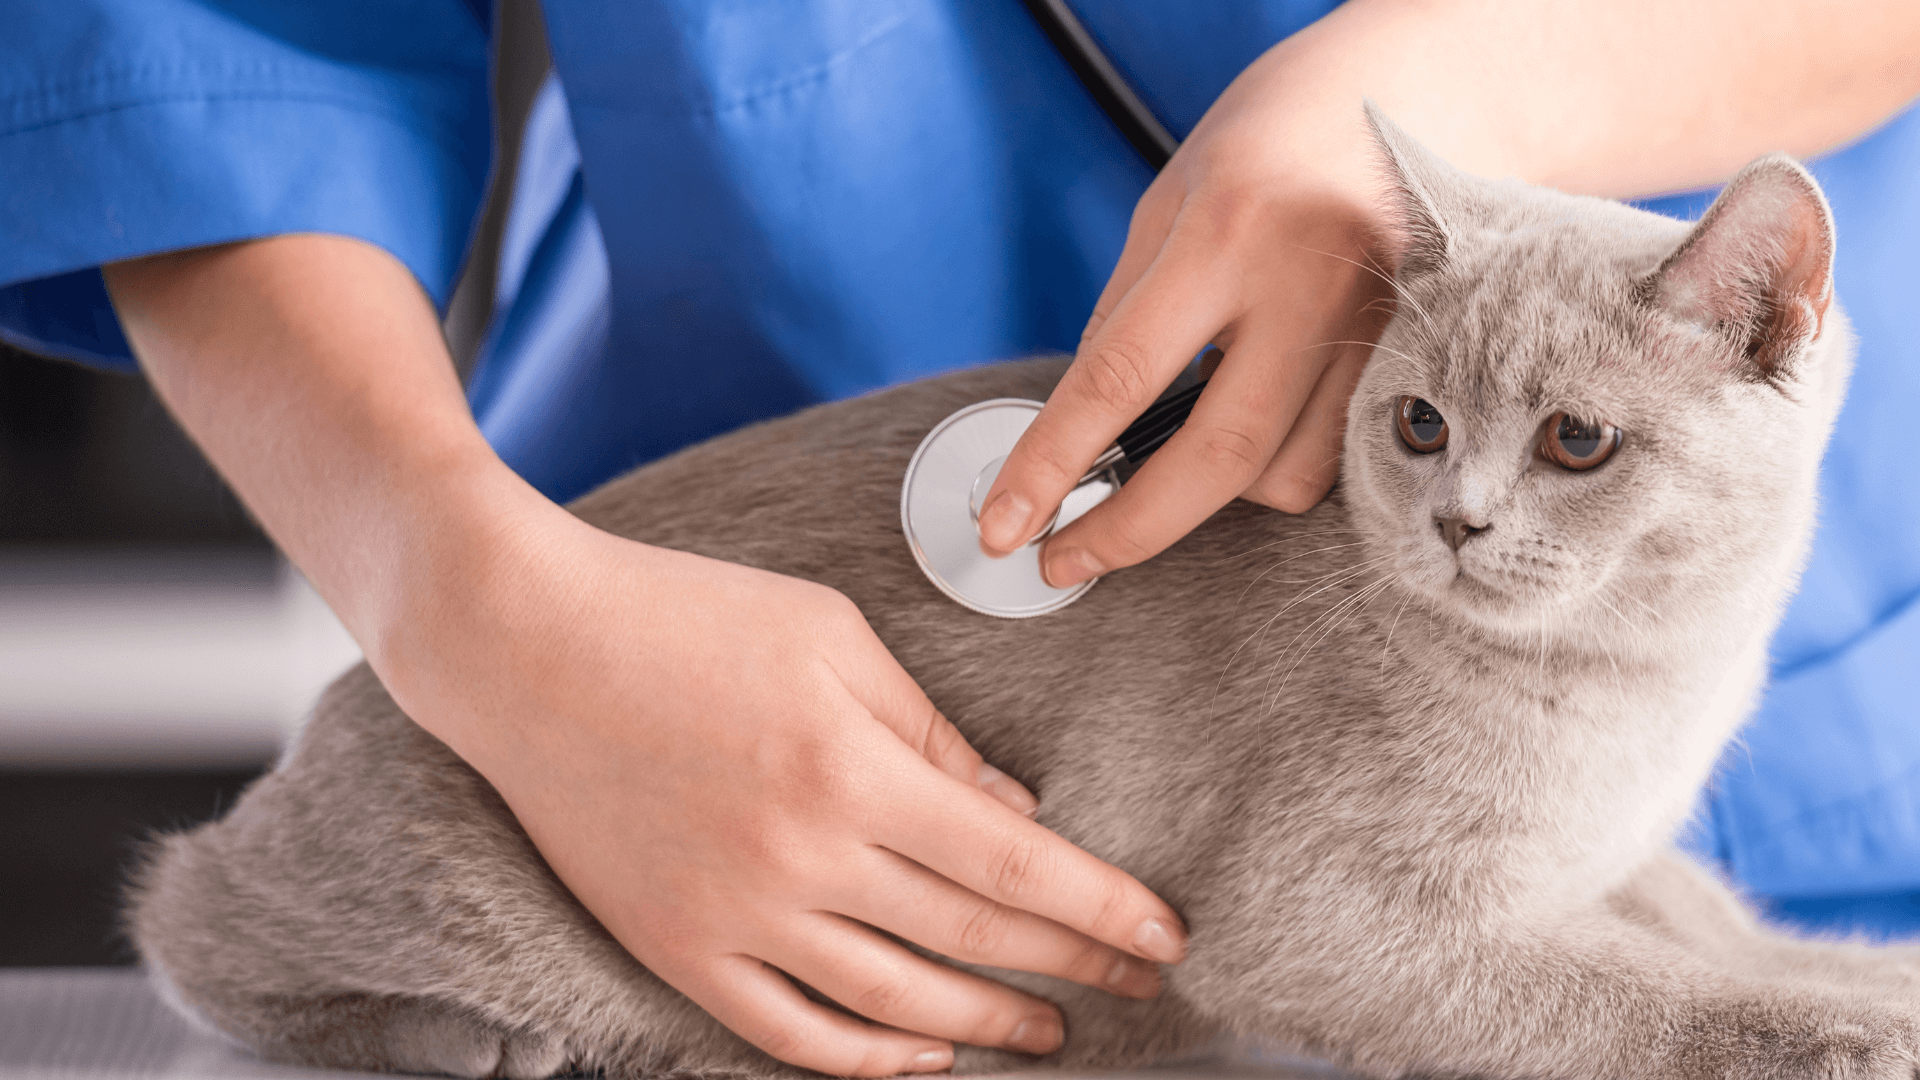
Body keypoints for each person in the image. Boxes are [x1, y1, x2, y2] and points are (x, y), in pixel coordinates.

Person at [3, 1, 1918, 1074]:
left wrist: (1432, 98)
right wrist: (469, 599)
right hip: (659, 658)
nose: (1481, 502)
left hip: (1773, 657)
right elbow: (207, 56)